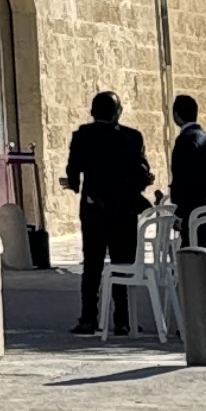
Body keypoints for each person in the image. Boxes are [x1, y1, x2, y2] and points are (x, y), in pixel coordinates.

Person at [61, 89, 152, 336]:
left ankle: (88, 318)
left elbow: (72, 171)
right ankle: (122, 319)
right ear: (118, 112)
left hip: (94, 209)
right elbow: (142, 172)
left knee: (92, 265)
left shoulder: (83, 136)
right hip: (124, 210)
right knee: (123, 264)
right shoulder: (133, 138)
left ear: (92, 113)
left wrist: (74, 184)